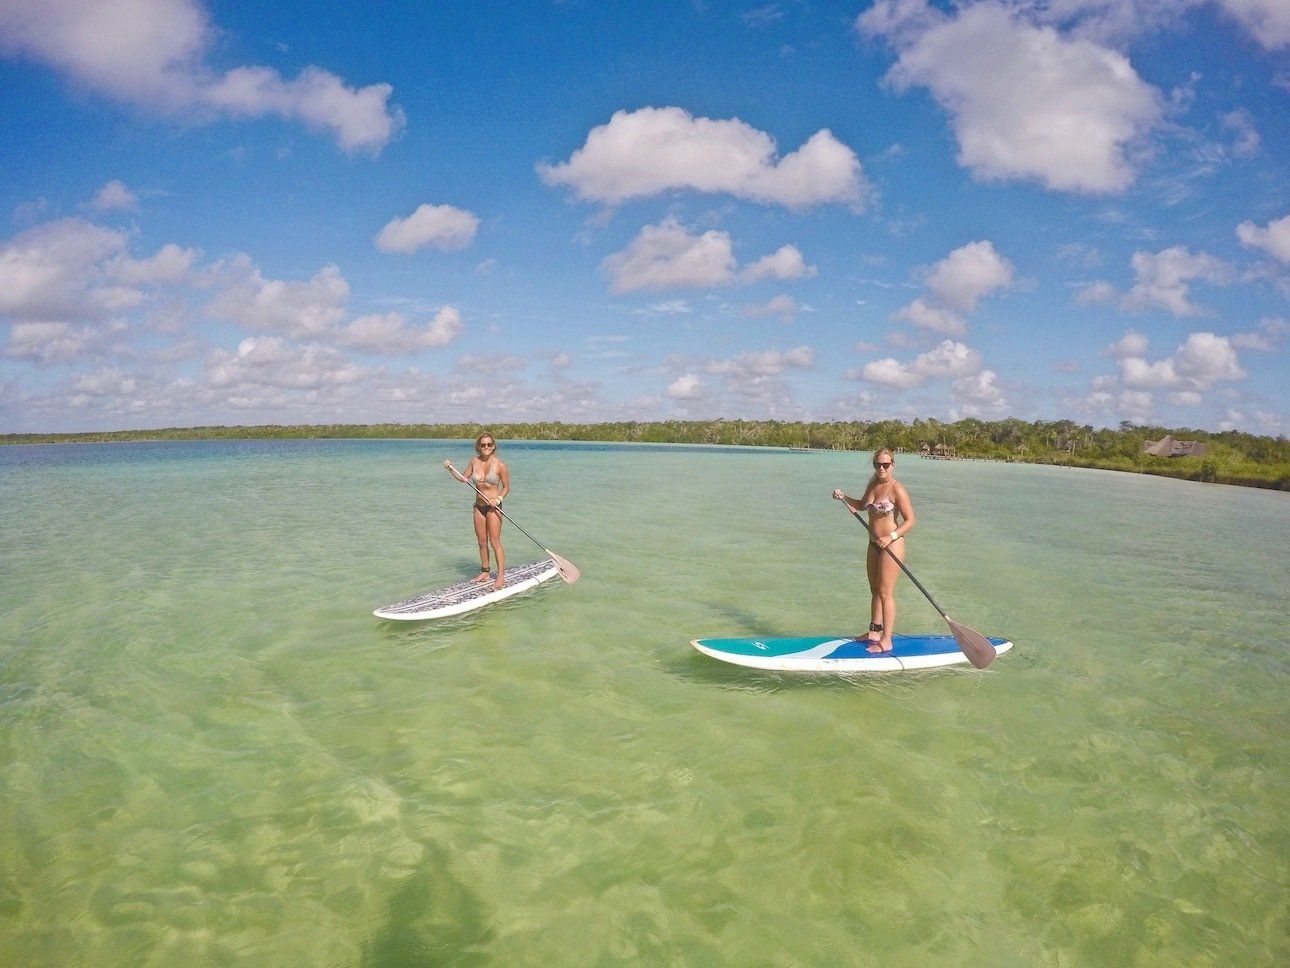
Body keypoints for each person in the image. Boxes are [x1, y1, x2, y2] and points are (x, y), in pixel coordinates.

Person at [832, 448, 915, 653]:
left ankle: (886, 640)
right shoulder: (873, 484)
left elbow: (910, 520)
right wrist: (843, 498)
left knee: (885, 592)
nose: (881, 468)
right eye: (877, 464)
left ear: (892, 465)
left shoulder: (897, 489)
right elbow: (862, 505)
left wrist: (891, 537)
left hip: (892, 545)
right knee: (875, 590)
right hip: (873, 543)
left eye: (885, 465)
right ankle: (874, 632)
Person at [443, 433, 510, 589]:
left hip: (493, 507)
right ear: (478, 447)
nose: (486, 447)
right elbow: (463, 478)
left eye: (489, 444)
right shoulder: (474, 461)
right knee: (481, 541)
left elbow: (506, 487)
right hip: (479, 507)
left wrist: (498, 500)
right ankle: (485, 571)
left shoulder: (500, 465)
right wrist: (450, 469)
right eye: (483, 445)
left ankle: (501, 576)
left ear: (493, 446)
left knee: (495, 542)